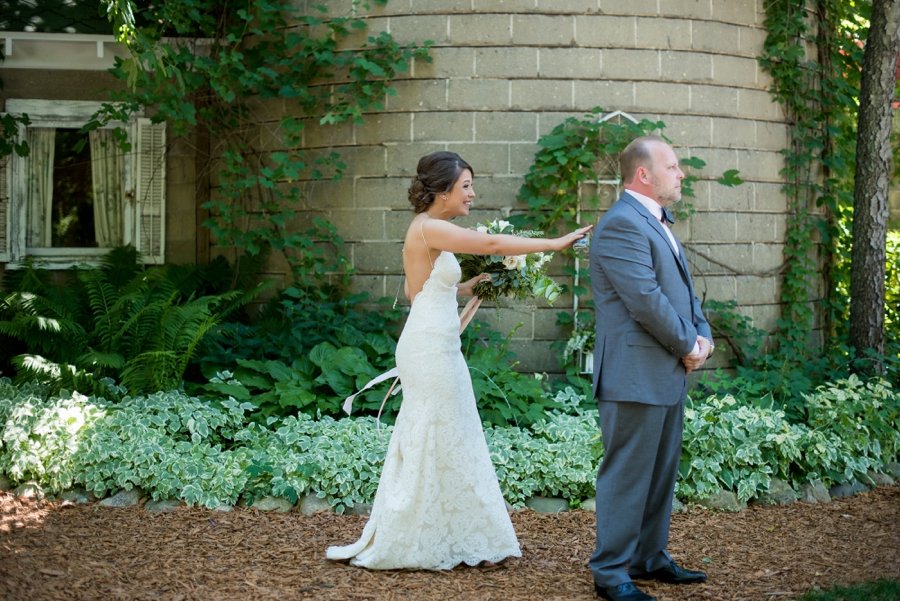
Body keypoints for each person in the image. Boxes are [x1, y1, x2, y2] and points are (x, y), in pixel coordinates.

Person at [326, 151, 592, 570]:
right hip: (429, 348)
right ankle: (416, 539)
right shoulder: (431, 228)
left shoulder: (429, 229)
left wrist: (467, 286)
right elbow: (488, 243)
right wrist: (554, 243)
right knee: (435, 433)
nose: (472, 193)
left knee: (451, 434)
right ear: (442, 191)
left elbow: (420, 292)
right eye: (466, 186)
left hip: (435, 342)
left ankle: (447, 534)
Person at [588, 136, 713, 601]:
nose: (681, 174)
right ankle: (611, 572)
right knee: (627, 474)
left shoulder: (656, 222)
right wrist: (687, 344)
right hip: (635, 372)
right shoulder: (622, 223)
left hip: (667, 370)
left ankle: (647, 557)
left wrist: (703, 339)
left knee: (661, 471)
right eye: (674, 166)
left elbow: (683, 292)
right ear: (644, 174)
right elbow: (645, 300)